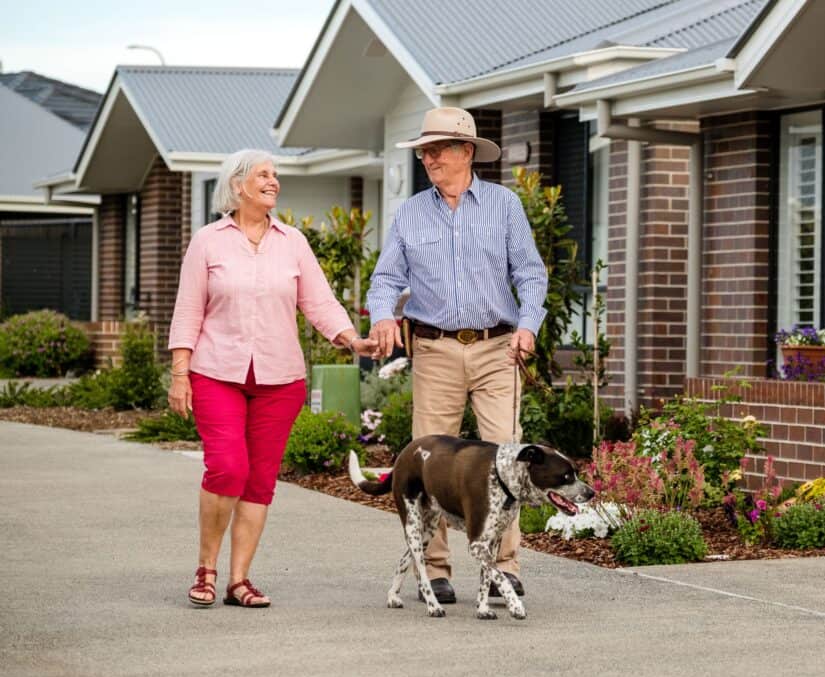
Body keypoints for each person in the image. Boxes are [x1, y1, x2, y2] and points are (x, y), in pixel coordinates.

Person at [168, 149, 377, 608]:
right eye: (263, 174)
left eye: (276, 175)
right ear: (238, 184)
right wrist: (180, 373)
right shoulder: (207, 241)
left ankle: (239, 580)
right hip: (216, 372)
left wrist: (351, 339)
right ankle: (206, 567)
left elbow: (319, 302)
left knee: (260, 479)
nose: (273, 181)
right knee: (227, 467)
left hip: (280, 379)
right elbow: (188, 310)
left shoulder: (292, 242)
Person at [367, 107, 548, 604]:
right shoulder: (410, 213)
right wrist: (383, 315)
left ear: (466, 152)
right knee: (431, 459)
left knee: (505, 457)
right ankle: (436, 568)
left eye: (438, 149)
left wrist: (529, 326)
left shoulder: (504, 205)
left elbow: (531, 274)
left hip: (497, 346)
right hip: (435, 348)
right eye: (424, 150)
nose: (428, 158)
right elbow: (385, 279)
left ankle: (503, 568)